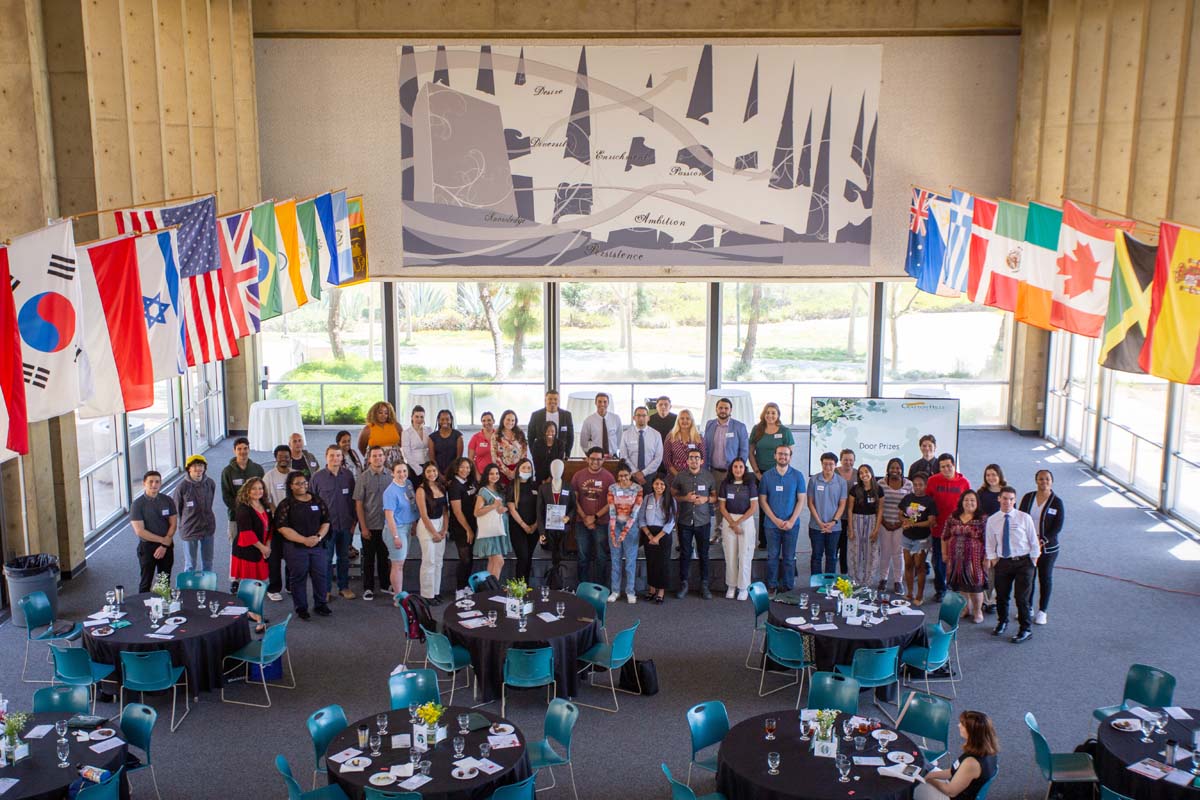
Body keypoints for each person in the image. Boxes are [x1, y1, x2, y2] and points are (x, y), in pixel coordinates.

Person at [984, 486, 1040, 643]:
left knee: (1021, 598)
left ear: (1014, 501)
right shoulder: (993, 520)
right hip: (1003, 562)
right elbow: (989, 543)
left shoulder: (1024, 518)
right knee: (1001, 596)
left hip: (1024, 562)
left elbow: (1033, 542)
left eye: (1011, 499)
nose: (1007, 501)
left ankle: (1025, 629)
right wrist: (993, 558)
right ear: (999, 499)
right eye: (1004, 498)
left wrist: (1033, 561)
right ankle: (1002, 622)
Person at [274, 471, 332, 620]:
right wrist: (304, 540)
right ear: (291, 486)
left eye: (305, 483)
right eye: (298, 483)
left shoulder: (317, 500)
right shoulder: (286, 504)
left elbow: (326, 521)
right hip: (296, 548)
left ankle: (321, 604)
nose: (302, 486)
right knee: (298, 577)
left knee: (320, 575)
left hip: (317, 545)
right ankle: (301, 608)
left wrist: (318, 537)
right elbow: (282, 528)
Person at [913, 711, 999, 800]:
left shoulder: (971, 763)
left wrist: (927, 779)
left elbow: (951, 792)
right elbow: (953, 771)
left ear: (971, 732)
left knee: (911, 785)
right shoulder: (987, 749)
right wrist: (929, 775)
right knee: (925, 768)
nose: (959, 725)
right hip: (957, 784)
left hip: (951, 796)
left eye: (963, 724)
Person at [310, 445, 357, 601]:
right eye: (332, 455)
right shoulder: (317, 478)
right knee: (327, 559)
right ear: (326, 456)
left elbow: (353, 501)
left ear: (342, 457)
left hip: (345, 524)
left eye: (338, 455)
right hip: (326, 528)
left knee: (344, 557)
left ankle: (344, 587)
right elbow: (312, 502)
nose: (335, 458)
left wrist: (354, 521)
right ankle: (326, 589)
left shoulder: (348, 476)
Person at [760, 445, 806, 594]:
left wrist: (791, 521)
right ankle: (772, 585)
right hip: (771, 525)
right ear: (775, 456)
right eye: (780, 454)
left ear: (790, 457)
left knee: (788, 557)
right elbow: (763, 501)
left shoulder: (798, 476)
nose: (783, 457)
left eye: (786, 454)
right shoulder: (767, 476)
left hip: (792, 525)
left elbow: (801, 500)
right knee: (772, 557)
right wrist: (775, 520)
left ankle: (788, 587)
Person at [1020, 469, 1063, 626]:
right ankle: (1028, 607)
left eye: (1047, 479)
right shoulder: (1028, 497)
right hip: (1028, 546)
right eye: (1040, 479)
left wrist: (1042, 540)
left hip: (1047, 549)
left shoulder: (1057, 502)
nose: (1044, 482)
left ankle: (1042, 611)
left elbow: (1057, 526)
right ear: (1036, 480)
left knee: (1045, 578)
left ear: (1051, 481)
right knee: (1028, 578)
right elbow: (1021, 518)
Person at [704, 398, 750, 545]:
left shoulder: (739, 427)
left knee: (732, 501)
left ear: (731, 410)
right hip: (714, 472)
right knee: (718, 503)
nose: (723, 410)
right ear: (716, 409)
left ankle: (733, 530)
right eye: (720, 408)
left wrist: (739, 471)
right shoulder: (710, 425)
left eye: (726, 408)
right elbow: (705, 448)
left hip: (732, 473)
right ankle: (718, 533)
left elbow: (744, 450)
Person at [927, 453, 970, 603]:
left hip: (957, 530)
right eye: (943, 467)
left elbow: (969, 505)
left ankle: (955, 586)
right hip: (938, 529)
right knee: (938, 560)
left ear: (954, 466)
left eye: (949, 466)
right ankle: (940, 589)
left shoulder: (964, 482)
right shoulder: (932, 481)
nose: (946, 469)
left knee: (957, 559)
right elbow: (927, 502)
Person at [673, 450, 716, 599]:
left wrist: (705, 500)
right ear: (687, 461)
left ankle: (704, 585)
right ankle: (684, 584)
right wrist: (685, 497)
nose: (694, 460)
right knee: (685, 553)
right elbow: (673, 494)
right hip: (684, 521)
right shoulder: (680, 476)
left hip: (703, 521)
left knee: (704, 554)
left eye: (697, 458)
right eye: (691, 458)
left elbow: (714, 497)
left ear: (701, 461)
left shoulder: (708, 476)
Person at [570, 447, 615, 585]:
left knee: (601, 556)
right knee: (583, 556)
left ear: (603, 460)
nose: (596, 462)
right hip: (581, 522)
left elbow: (611, 502)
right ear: (587, 459)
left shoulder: (609, 477)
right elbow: (574, 500)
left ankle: (600, 588)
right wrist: (585, 517)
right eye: (593, 459)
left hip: (601, 522)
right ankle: (583, 587)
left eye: (599, 459)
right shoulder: (578, 476)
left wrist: (594, 517)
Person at [231, 477, 271, 631]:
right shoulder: (243, 509)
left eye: (260, 488)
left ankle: (253, 613)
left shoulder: (264, 505)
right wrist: (263, 548)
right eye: (254, 488)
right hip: (247, 552)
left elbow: (270, 527)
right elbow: (246, 534)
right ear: (247, 490)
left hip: (261, 549)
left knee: (259, 585)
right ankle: (256, 616)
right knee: (251, 586)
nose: (258, 491)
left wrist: (267, 545)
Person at [353, 445, 392, 600]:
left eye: (380, 455)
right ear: (369, 459)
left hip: (386, 525)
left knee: (384, 556)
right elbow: (358, 503)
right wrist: (363, 527)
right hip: (369, 525)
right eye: (374, 456)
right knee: (369, 558)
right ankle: (368, 587)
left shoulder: (390, 476)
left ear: (384, 457)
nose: (377, 458)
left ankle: (385, 584)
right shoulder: (363, 477)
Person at [944, 490, 988, 623]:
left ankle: (978, 611)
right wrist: (944, 553)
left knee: (976, 586)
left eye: (972, 500)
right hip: (955, 558)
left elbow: (989, 540)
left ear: (977, 503)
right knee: (960, 585)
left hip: (975, 560)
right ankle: (965, 608)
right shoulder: (953, 517)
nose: (969, 503)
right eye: (966, 500)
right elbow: (944, 536)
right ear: (962, 502)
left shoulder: (982, 519)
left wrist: (987, 557)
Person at [718, 457, 758, 600]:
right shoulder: (725, 484)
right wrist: (732, 523)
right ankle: (731, 585)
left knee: (745, 555)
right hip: (729, 520)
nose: (738, 469)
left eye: (741, 467)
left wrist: (738, 522)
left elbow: (754, 507)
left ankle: (743, 587)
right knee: (730, 555)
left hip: (745, 521)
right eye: (735, 466)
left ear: (744, 469)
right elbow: (722, 507)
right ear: (731, 468)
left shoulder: (750, 484)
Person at [131, 471, 177, 593]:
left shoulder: (167, 500)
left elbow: (173, 524)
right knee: (146, 581)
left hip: (166, 547)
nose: (154, 484)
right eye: (150, 481)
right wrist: (163, 540)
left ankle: (163, 609)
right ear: (144, 484)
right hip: (147, 547)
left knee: (164, 582)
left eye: (157, 481)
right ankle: (143, 608)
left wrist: (164, 545)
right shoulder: (137, 504)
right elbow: (140, 531)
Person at [606, 464, 644, 603]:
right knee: (615, 561)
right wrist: (612, 531)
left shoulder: (638, 489)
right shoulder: (612, 488)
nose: (623, 478)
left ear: (630, 475)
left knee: (630, 561)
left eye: (626, 475)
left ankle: (630, 591)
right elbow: (611, 510)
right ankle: (615, 590)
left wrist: (624, 532)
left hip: (631, 526)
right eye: (621, 476)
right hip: (615, 524)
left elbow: (635, 513)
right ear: (617, 476)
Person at [807, 452, 847, 578]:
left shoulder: (841, 482)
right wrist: (819, 523)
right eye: (825, 464)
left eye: (831, 464)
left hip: (834, 528)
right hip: (816, 526)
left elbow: (842, 504)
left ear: (836, 465)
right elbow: (810, 503)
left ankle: (829, 585)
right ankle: (815, 585)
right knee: (816, 556)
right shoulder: (814, 480)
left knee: (832, 556)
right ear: (821, 464)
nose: (828, 467)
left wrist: (833, 522)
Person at [220, 437, 264, 552]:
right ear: (234, 451)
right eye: (239, 449)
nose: (242, 451)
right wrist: (241, 510)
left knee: (256, 545)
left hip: (256, 515)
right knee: (236, 546)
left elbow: (263, 491)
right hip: (236, 516)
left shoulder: (257, 469)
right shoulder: (227, 471)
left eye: (245, 448)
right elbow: (226, 495)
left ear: (249, 449)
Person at [175, 454, 217, 574]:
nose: (198, 469)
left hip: (208, 527)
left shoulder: (210, 483)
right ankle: (188, 591)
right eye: (195, 466)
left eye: (201, 466)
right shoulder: (181, 487)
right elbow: (177, 509)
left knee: (208, 563)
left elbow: (210, 503)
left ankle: (207, 588)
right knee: (190, 564)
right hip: (190, 529)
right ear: (189, 468)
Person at [637, 476, 676, 604]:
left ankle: (661, 591)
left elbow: (671, 522)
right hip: (649, 534)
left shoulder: (670, 500)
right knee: (651, 562)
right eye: (657, 484)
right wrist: (649, 536)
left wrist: (657, 537)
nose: (659, 486)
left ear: (666, 486)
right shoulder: (647, 498)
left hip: (663, 535)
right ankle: (652, 589)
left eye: (662, 484)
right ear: (652, 485)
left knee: (662, 563)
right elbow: (641, 518)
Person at [899, 472, 937, 604]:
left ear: (926, 485)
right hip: (906, 538)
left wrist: (913, 524)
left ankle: (919, 595)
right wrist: (904, 521)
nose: (917, 487)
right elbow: (900, 514)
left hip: (921, 539)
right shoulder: (907, 498)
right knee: (908, 565)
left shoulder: (929, 501)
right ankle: (909, 593)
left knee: (919, 566)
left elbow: (931, 521)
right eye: (915, 484)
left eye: (920, 485)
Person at [382, 463, 418, 598]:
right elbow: (389, 516)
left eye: (404, 471)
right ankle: (398, 597)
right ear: (392, 473)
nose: (402, 474)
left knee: (401, 563)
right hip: (396, 529)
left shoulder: (408, 484)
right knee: (398, 564)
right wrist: (395, 536)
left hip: (408, 527)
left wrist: (414, 524)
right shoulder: (390, 492)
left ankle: (399, 591)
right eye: (398, 472)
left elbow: (412, 506)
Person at [414, 461, 448, 604]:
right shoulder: (421, 490)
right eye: (428, 471)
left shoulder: (441, 487)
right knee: (429, 561)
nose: (432, 474)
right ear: (424, 473)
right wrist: (434, 533)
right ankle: (427, 595)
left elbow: (446, 512)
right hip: (427, 526)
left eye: (434, 471)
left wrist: (444, 530)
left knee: (439, 561)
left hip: (440, 524)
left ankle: (436, 591)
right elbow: (423, 514)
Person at [876, 458, 911, 594]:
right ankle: (883, 579)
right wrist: (883, 522)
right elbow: (878, 505)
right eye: (892, 467)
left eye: (898, 468)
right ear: (888, 469)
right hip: (884, 524)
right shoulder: (880, 483)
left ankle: (898, 581)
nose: (895, 470)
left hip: (900, 525)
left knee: (898, 554)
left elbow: (912, 507)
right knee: (884, 553)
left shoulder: (908, 485)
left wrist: (902, 522)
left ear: (902, 470)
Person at [262, 445, 293, 601]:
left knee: (291, 555)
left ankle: (290, 585)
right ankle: (274, 588)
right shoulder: (269, 476)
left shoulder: (295, 475)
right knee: (274, 558)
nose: (284, 459)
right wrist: (277, 513)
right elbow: (265, 499)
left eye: (286, 456)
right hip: (275, 523)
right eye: (280, 456)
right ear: (276, 458)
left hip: (293, 523)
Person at [537, 459, 575, 580]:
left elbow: (573, 506)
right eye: (554, 468)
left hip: (563, 528)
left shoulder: (568, 487)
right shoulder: (543, 488)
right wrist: (542, 532)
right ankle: (552, 579)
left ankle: (559, 579)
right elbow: (539, 511)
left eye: (559, 468)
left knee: (561, 553)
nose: (556, 471)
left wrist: (568, 517)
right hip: (549, 529)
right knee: (552, 553)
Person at [446, 456, 478, 599]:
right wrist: (468, 529)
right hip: (460, 527)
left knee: (470, 557)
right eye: (462, 467)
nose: (465, 470)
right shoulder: (454, 486)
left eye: (468, 467)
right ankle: (459, 588)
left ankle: (465, 585)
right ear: (456, 468)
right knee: (464, 558)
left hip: (472, 523)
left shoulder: (469, 483)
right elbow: (457, 512)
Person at [846, 464, 883, 586]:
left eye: (866, 472)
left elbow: (880, 510)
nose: (864, 475)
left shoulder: (878, 489)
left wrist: (876, 529)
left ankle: (868, 582)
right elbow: (850, 509)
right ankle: (855, 581)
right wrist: (850, 529)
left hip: (872, 521)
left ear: (871, 473)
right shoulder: (855, 489)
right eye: (861, 473)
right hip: (857, 521)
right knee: (855, 552)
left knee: (870, 552)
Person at [474, 464, 513, 578]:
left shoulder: (500, 488)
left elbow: (502, 506)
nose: (494, 476)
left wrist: (504, 509)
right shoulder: (483, 490)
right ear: (486, 475)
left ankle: (487, 590)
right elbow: (477, 512)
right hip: (490, 531)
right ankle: (493, 589)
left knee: (493, 562)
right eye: (491, 473)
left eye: (496, 473)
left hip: (499, 529)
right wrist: (493, 506)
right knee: (499, 561)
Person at [976, 464, 1006, 614]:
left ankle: (995, 599)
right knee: (985, 567)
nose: (991, 478)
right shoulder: (981, 493)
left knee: (998, 568)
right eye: (988, 475)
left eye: (994, 474)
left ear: (999, 475)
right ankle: (986, 599)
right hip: (984, 533)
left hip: (1001, 535)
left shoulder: (1006, 493)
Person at [506, 458, 539, 584]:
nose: (526, 470)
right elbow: (511, 508)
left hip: (534, 528)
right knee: (523, 557)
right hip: (518, 527)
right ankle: (518, 588)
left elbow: (540, 507)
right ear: (518, 469)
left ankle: (526, 586)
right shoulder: (512, 485)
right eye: (524, 467)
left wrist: (535, 525)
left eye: (529, 468)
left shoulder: (536, 486)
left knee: (529, 557)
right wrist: (524, 525)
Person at [619, 406, 663, 489]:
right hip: (631, 475)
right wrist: (635, 472)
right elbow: (624, 456)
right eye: (638, 415)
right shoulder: (626, 434)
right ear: (634, 418)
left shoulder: (656, 435)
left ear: (648, 418)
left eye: (644, 415)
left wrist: (643, 473)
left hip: (650, 476)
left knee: (648, 500)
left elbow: (658, 458)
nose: (641, 418)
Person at [749, 403, 795, 479]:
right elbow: (750, 452)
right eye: (767, 413)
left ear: (778, 415)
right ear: (764, 414)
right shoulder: (756, 429)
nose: (770, 415)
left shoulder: (785, 431)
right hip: (760, 472)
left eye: (773, 413)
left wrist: (783, 472)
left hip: (779, 472)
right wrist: (757, 473)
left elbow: (789, 454)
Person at [528, 390, 574, 457]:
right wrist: (534, 453)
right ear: (545, 400)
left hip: (560, 452)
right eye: (550, 399)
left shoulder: (566, 415)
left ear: (558, 401)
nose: (552, 401)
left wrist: (567, 454)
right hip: (541, 453)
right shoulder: (536, 415)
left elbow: (570, 437)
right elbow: (530, 437)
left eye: (555, 399)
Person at [358, 401, 404, 467]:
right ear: (374, 413)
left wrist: (392, 451)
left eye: (386, 413)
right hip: (376, 461)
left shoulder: (396, 426)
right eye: (380, 413)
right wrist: (373, 456)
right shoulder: (368, 429)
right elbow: (361, 447)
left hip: (395, 460)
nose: (383, 415)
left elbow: (403, 443)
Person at [834, 449, 858, 574]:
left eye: (851, 460)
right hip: (835, 516)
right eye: (845, 460)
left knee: (845, 548)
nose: (848, 462)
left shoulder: (858, 473)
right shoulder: (834, 472)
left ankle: (844, 574)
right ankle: (830, 575)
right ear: (841, 460)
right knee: (834, 547)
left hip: (852, 517)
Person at [662, 409, 704, 479]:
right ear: (678, 421)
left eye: (688, 418)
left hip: (694, 477)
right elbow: (666, 459)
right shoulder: (671, 436)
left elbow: (703, 458)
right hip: (674, 476)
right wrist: (678, 476)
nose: (685, 421)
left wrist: (693, 474)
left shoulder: (698, 437)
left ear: (692, 421)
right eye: (682, 418)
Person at [578, 392, 622, 457]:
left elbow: (619, 438)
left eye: (605, 402)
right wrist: (590, 455)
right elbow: (583, 442)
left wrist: (614, 450)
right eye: (599, 402)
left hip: (612, 457)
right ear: (595, 403)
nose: (602, 404)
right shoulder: (588, 420)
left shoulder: (616, 418)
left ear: (608, 403)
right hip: (596, 458)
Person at [491, 409, 528, 487]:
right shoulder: (496, 435)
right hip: (502, 470)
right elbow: (494, 455)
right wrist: (507, 471)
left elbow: (524, 452)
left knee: (517, 494)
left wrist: (516, 471)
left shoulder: (520, 433)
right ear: (503, 420)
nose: (510, 422)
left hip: (518, 469)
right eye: (508, 419)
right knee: (504, 493)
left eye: (513, 420)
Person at [429, 410, 464, 477]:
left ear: (451, 420)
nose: (445, 421)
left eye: (447, 419)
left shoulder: (458, 436)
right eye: (442, 419)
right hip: (436, 473)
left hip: (454, 472)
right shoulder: (432, 437)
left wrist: (449, 472)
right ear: (438, 421)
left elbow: (458, 457)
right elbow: (432, 459)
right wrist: (439, 474)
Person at [401, 406, 431, 477]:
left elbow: (431, 448)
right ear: (412, 417)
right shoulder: (406, 433)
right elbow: (406, 453)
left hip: (428, 464)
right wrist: (419, 469)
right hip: (413, 467)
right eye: (416, 417)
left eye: (422, 417)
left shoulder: (429, 430)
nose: (419, 419)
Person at [468, 411, 496, 479]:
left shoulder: (499, 436)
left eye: (489, 420)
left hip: (497, 475)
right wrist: (477, 475)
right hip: (481, 475)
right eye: (484, 421)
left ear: (493, 421)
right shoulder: (475, 437)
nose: (486, 423)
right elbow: (470, 458)